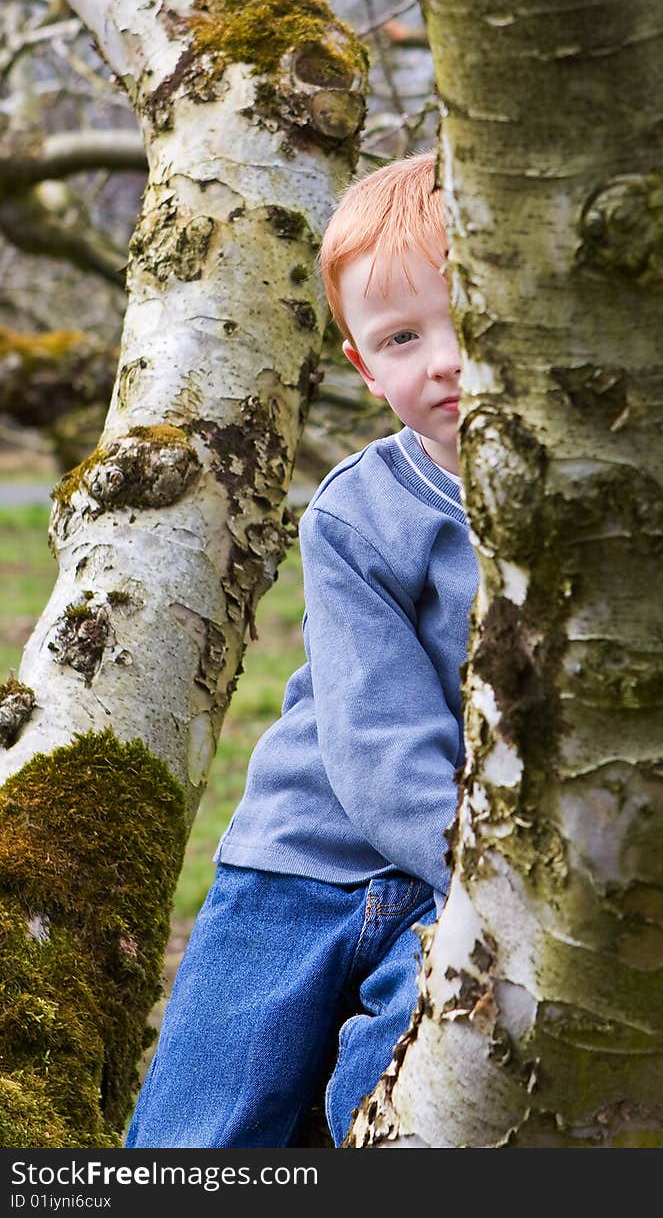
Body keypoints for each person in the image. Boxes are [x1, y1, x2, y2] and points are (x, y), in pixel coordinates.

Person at [125, 151, 478, 1149]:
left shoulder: (601, 515)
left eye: (468, 320)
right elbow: (378, 746)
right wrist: (493, 875)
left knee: (410, 1101)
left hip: (454, 892)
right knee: (201, 1125)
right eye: (403, 337)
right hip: (301, 859)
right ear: (365, 369)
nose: (442, 359)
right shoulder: (362, 514)